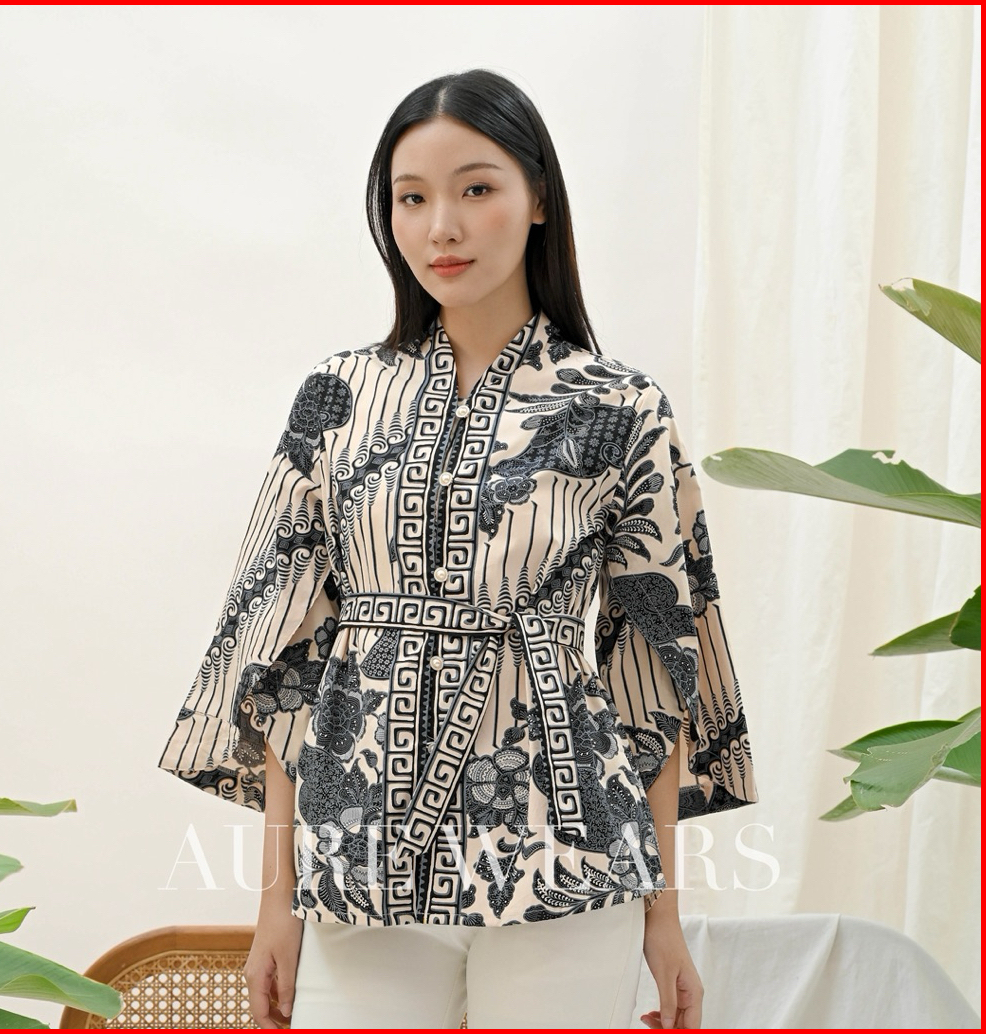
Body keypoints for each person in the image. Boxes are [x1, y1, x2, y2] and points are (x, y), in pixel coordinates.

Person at [157, 68, 759, 1029]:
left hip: (570, 855)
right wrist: (278, 903)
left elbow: (656, 668)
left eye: (476, 188)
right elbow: (284, 658)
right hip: (360, 852)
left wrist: (663, 916)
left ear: (538, 200)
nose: (442, 225)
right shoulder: (337, 397)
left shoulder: (623, 406)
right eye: (412, 197)